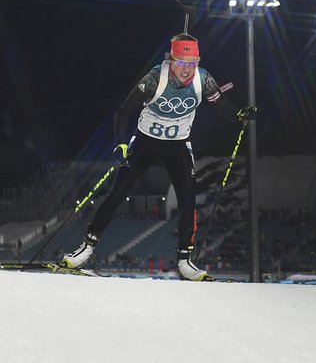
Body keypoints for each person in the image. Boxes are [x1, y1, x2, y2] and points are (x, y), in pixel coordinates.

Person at [62, 32, 255, 281]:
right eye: (182, 63)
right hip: (146, 143)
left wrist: (239, 115)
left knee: (188, 200)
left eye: (192, 64)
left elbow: (220, 105)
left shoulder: (204, 79)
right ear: (171, 60)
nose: (186, 70)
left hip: (178, 145)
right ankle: (86, 249)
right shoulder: (155, 78)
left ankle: (185, 261)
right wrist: (121, 144)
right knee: (117, 193)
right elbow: (123, 111)